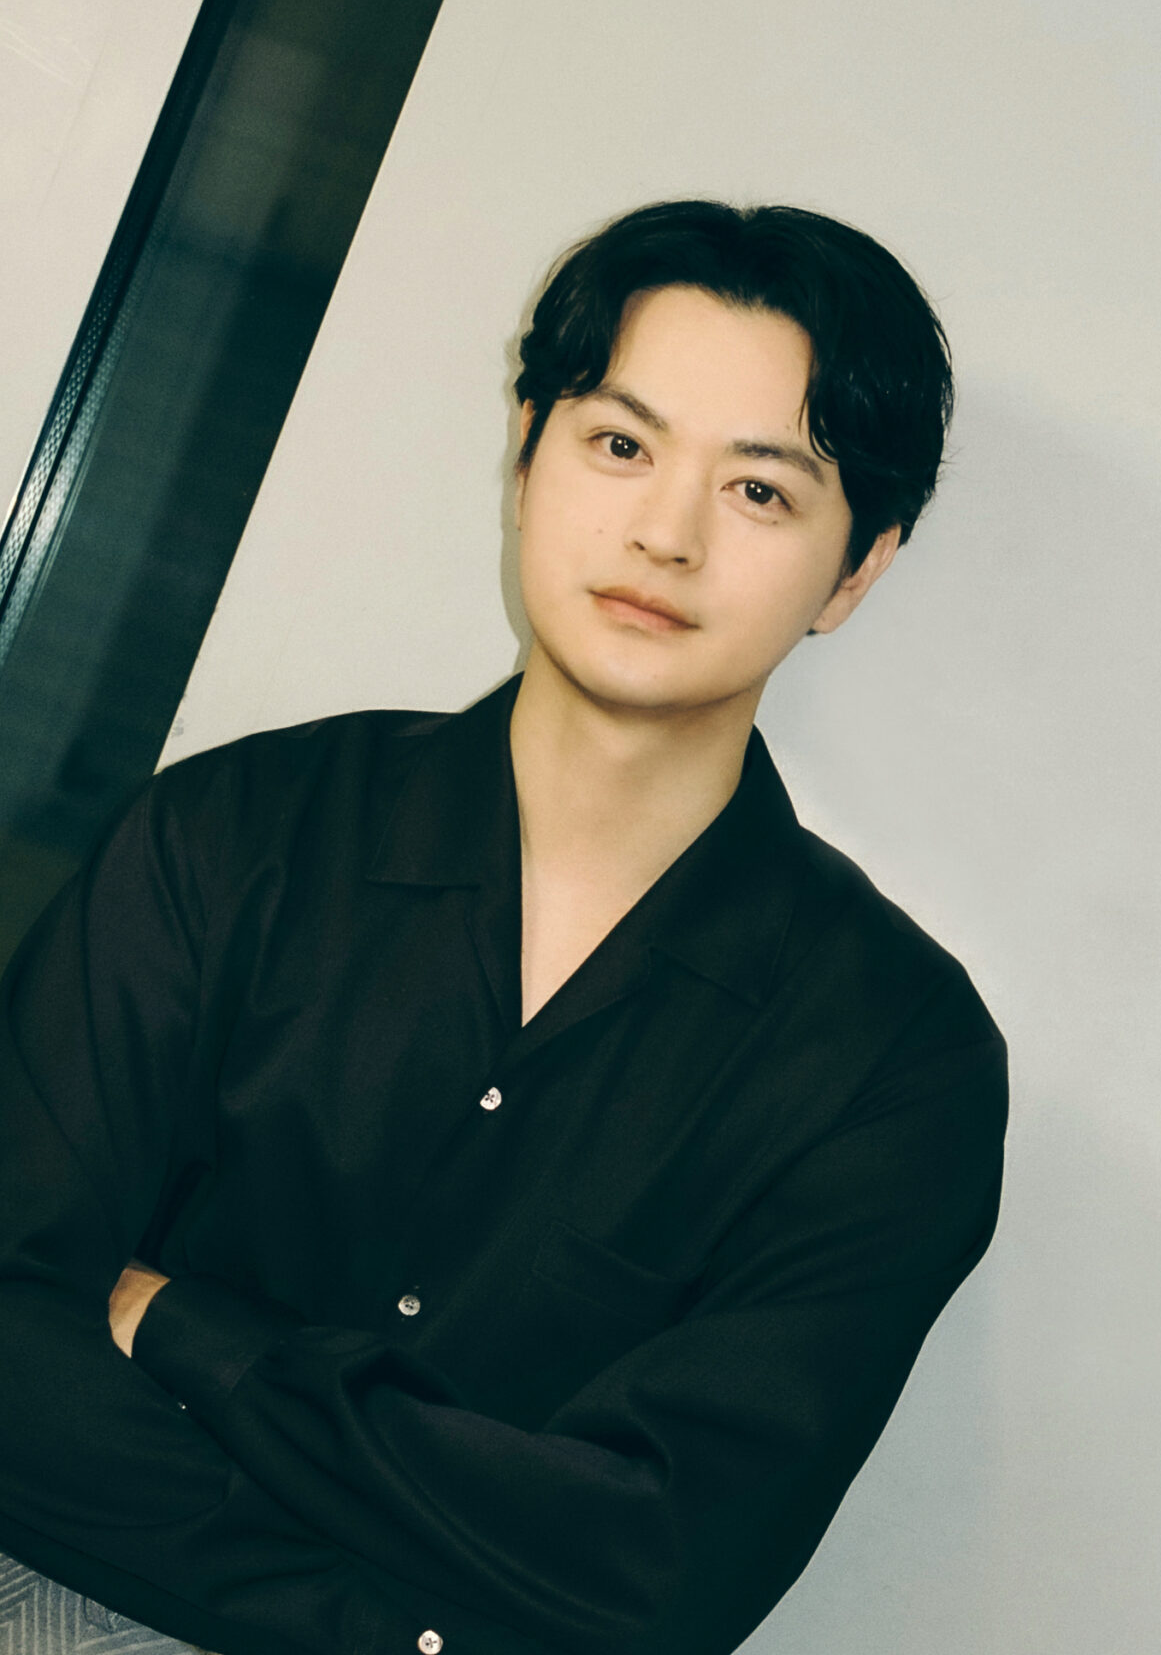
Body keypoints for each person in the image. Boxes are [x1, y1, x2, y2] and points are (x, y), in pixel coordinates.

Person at [0, 200, 1008, 1655]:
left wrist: (183, 1332)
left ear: (856, 571)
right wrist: (385, 1617)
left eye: (759, 490)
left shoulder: (896, 1060)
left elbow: (660, 1577)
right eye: (621, 444)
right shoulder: (233, 835)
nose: (664, 534)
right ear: (526, 452)